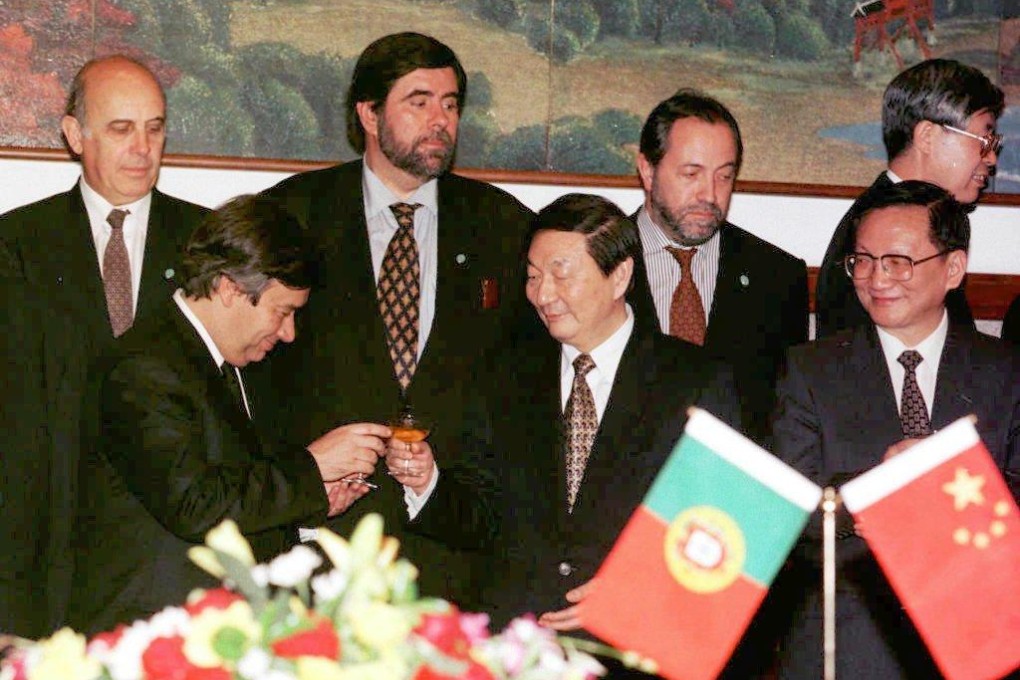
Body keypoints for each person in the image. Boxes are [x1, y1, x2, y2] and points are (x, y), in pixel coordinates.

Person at [251, 32, 529, 608]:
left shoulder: (502, 226)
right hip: (320, 555)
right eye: (419, 101)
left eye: (451, 104)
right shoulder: (292, 214)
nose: (440, 120)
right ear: (369, 114)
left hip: (455, 561)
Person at [67, 195, 395, 633]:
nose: (289, 333)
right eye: (282, 313)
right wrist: (311, 469)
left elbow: (234, 491)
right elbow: (194, 502)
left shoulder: (231, 366)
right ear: (228, 289)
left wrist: (310, 501)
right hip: (150, 639)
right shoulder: (144, 367)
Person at [479, 194, 743, 676]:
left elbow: (724, 523)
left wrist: (636, 584)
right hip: (521, 655)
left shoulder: (694, 378)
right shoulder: (506, 375)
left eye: (562, 273)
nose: (542, 294)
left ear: (619, 276)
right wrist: (426, 481)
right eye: (533, 276)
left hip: (638, 652)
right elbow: (482, 508)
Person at [772, 180, 1020, 678]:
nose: (876, 278)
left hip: (979, 641)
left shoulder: (1006, 371)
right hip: (849, 646)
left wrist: (953, 488)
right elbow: (785, 513)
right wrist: (877, 491)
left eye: (898, 262)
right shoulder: (811, 370)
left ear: (953, 268)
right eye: (863, 260)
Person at [0, 54, 208, 634]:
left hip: (170, 567)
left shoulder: (208, 245)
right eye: (121, 129)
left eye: (155, 127)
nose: (143, 148)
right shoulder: (15, 246)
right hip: (48, 566)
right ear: (74, 135)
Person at [629, 89, 808, 444]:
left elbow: (787, 421)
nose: (709, 195)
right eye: (691, 174)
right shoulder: (597, 263)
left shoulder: (776, 278)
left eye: (724, 176)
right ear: (648, 171)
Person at [815, 58, 1004, 339]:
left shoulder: (914, 217)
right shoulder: (870, 235)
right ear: (927, 136)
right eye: (984, 140)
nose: (990, 158)